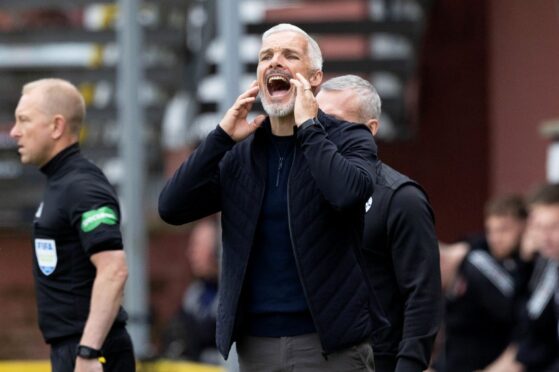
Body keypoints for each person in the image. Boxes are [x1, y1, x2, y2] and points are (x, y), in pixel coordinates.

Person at [159, 23, 381, 371]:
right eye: (266, 57)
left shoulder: (348, 138)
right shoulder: (240, 153)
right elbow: (171, 207)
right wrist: (219, 137)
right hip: (255, 347)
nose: (275, 62)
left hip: (329, 347)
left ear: (314, 77)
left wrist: (309, 127)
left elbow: (347, 193)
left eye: (289, 55)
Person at [316, 74, 442, 372]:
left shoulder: (401, 198)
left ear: (370, 129)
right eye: (315, 119)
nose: (320, 131)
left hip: (376, 359)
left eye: (333, 121)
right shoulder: (300, 191)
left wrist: (409, 365)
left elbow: (423, 294)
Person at [10, 78, 134, 372]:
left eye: (24, 120)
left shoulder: (82, 186)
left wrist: (89, 351)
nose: (14, 132)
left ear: (56, 126)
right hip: (73, 349)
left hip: (92, 353)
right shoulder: (61, 183)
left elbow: (114, 269)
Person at [438, 194, 529, 372]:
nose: (495, 238)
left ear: (523, 225)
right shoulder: (483, 252)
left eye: (503, 230)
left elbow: (523, 323)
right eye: (490, 231)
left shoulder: (534, 264)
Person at [162, 216, 220, 364]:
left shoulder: (233, 296)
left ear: (218, 250)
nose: (190, 253)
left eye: (196, 246)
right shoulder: (194, 294)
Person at [515, 183, 559, 371]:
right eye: (539, 227)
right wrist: (525, 264)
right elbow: (528, 321)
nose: (544, 237)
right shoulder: (548, 263)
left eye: (554, 226)